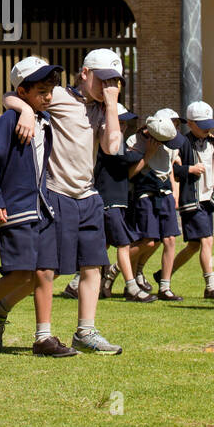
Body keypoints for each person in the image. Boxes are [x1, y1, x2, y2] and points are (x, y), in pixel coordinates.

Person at [5, 49, 126, 355]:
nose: (108, 86)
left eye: (115, 81)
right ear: (85, 73)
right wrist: (28, 112)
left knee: (93, 266)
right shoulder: (57, 95)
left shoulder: (104, 109)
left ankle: (86, 332)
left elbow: (112, 147)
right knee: (46, 270)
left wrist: (111, 105)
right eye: (103, 79)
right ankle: (35, 331)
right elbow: (9, 97)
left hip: (88, 196)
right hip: (55, 193)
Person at [0, 57, 73, 356]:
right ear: (22, 92)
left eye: (51, 90)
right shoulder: (9, 120)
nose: (48, 97)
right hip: (16, 208)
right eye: (41, 91)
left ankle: (44, 338)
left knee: (47, 271)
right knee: (22, 272)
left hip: (43, 207)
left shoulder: (44, 120)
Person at [65, 104, 148, 302]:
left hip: (114, 200)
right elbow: (126, 159)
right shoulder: (111, 140)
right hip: (110, 202)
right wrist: (144, 152)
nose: (123, 126)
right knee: (123, 244)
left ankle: (76, 283)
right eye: (119, 122)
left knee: (102, 246)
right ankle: (131, 287)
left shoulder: (114, 140)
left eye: (124, 123)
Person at [159, 100, 214, 300]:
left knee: (194, 245)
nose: (207, 130)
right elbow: (173, 169)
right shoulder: (182, 143)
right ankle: (210, 285)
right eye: (202, 125)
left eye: (209, 125)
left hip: (208, 199)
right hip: (192, 200)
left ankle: (164, 275)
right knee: (207, 240)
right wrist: (189, 169)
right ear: (190, 124)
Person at [126, 111, 184, 300]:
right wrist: (148, 155)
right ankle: (120, 272)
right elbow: (129, 175)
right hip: (146, 194)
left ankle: (165, 287)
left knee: (168, 240)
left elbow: (171, 168)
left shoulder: (169, 139)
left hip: (165, 194)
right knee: (147, 241)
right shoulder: (134, 142)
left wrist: (175, 192)